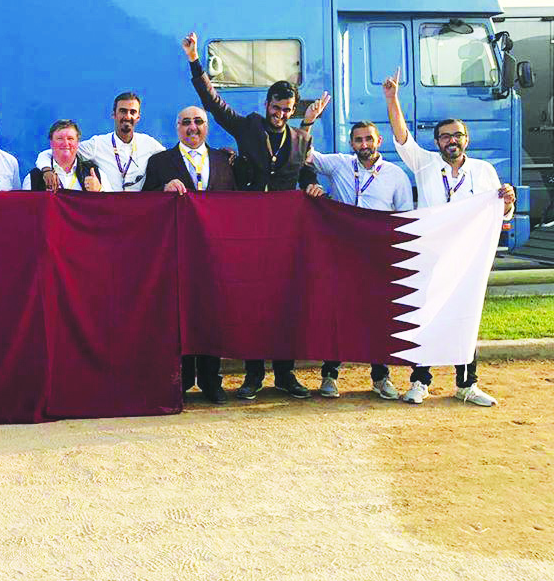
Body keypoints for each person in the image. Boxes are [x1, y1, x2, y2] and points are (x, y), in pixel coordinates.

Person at [183, 30, 324, 400]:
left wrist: (311, 185)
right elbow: (212, 103)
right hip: (248, 231)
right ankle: (253, 375)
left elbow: (304, 171)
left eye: (286, 111)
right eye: (275, 109)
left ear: (292, 111)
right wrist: (195, 61)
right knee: (252, 304)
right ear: (266, 105)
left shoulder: (302, 139)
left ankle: (286, 374)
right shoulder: (247, 126)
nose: (280, 115)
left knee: (284, 303)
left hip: (284, 234)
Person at [382, 68, 515, 406]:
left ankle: (466, 384)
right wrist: (391, 98)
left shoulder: (484, 171)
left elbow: (499, 214)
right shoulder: (425, 164)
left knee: (465, 316)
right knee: (424, 316)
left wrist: (508, 204)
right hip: (429, 257)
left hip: (466, 260)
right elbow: (401, 138)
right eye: (444, 136)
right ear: (437, 141)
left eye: (456, 135)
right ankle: (419, 382)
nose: (451, 141)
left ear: (465, 139)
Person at [301, 111, 414, 400]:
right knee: (337, 311)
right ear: (351, 143)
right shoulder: (339, 164)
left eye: (368, 139)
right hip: (340, 250)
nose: (364, 144)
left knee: (376, 313)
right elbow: (304, 154)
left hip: (376, 254)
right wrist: (309, 120)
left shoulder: (396, 175)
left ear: (379, 140)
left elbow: (403, 217)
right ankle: (330, 375)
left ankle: (380, 376)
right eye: (358, 140)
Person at [144, 105, 237, 404]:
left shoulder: (224, 160)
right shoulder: (160, 162)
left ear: (207, 126)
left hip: (213, 253)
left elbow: (236, 205)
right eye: (186, 123)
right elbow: (144, 203)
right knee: (179, 316)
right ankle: (181, 380)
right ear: (177, 128)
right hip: (177, 253)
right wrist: (162, 188)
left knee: (212, 314)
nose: (192, 128)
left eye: (198, 122)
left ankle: (212, 381)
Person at [35, 92, 164, 192]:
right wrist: (47, 170)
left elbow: (170, 159)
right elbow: (54, 152)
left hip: (138, 212)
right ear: (114, 114)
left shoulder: (148, 144)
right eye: (123, 111)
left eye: (133, 112)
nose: (127, 116)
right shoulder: (98, 144)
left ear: (138, 117)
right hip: (109, 211)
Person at [23, 120, 107, 191]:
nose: (66, 143)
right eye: (60, 139)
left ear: (77, 143)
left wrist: (99, 190)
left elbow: (110, 206)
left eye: (70, 138)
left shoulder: (95, 174)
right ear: (51, 143)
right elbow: (26, 208)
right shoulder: (34, 178)